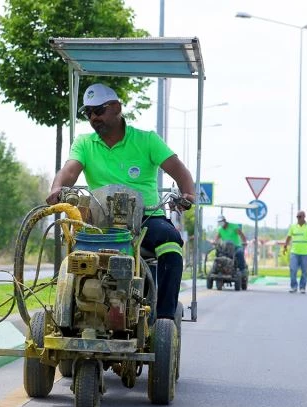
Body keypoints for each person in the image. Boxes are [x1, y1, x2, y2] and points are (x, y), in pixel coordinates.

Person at [46, 83, 195, 320]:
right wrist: (57, 188)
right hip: (100, 220)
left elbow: (179, 170)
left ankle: (164, 319)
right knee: (75, 248)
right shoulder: (84, 143)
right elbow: (69, 171)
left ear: (117, 107)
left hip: (147, 218)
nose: (94, 117)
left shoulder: (147, 140)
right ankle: (72, 313)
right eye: (88, 113)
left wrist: (188, 194)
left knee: (171, 243)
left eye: (99, 110)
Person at [282, 210, 307, 293]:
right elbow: (288, 237)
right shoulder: (293, 226)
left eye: (300, 217)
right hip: (294, 252)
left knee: (304, 271)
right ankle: (294, 287)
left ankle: (302, 287)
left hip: (305, 253)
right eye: (297, 217)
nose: (298, 218)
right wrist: (285, 247)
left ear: (304, 217)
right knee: (293, 269)